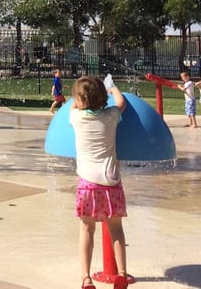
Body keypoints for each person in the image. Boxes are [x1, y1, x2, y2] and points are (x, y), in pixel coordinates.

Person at [69, 75, 130, 289]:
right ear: (103, 98)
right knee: (116, 230)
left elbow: (73, 106)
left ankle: (86, 277)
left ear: (79, 99)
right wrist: (113, 89)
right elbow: (121, 103)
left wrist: (79, 100)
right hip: (111, 182)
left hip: (87, 184)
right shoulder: (111, 116)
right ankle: (121, 273)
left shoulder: (76, 118)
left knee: (86, 229)